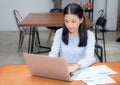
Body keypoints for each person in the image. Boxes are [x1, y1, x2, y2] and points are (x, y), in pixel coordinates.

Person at [49, 3, 96, 73]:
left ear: (81, 20)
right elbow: (53, 53)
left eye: (73, 21)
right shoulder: (59, 33)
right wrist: (49, 62)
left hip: (82, 70)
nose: (69, 25)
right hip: (64, 71)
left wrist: (76, 66)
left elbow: (90, 58)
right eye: (66, 21)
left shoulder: (90, 35)